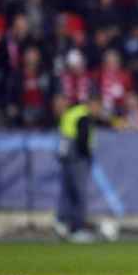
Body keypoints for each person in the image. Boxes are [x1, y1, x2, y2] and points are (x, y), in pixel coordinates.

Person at [53, 94, 103, 242]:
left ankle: (62, 224)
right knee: (80, 194)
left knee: (68, 192)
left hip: (66, 156)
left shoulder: (72, 113)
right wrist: (88, 155)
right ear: (93, 104)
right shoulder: (84, 117)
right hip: (77, 157)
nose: (98, 111)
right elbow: (83, 141)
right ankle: (77, 229)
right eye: (98, 107)